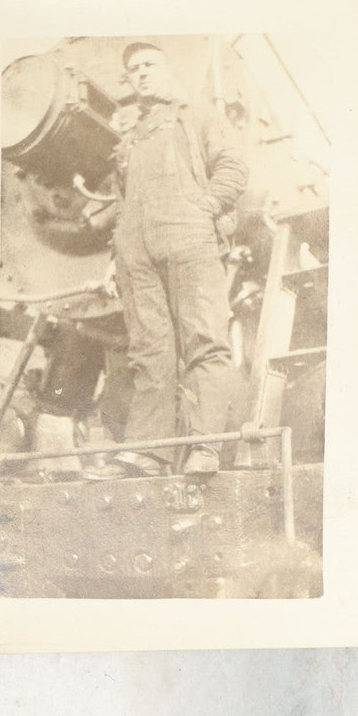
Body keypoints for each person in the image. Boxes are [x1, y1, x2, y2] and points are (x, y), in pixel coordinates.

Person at [84, 42, 249, 480]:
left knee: (204, 340)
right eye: (133, 69)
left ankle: (205, 447)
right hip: (135, 252)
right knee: (149, 351)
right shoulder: (130, 141)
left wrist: (204, 208)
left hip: (189, 237)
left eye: (149, 65)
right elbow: (122, 204)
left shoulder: (197, 116)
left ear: (168, 69)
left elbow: (233, 166)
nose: (140, 74)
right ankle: (147, 452)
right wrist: (117, 253)